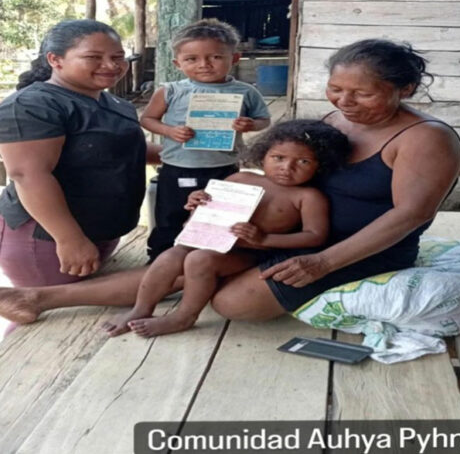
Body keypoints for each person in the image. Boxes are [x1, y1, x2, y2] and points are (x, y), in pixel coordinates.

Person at [0, 39, 460, 329]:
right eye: (337, 89)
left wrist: (322, 262)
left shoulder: (426, 139)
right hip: (281, 235)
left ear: (403, 90)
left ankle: (50, 297)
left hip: (351, 248)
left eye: (362, 93)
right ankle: (37, 298)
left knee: (233, 304)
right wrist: (222, 201)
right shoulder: (333, 119)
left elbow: (412, 215)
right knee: (186, 260)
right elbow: (286, 175)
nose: (345, 102)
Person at [102, 120, 350, 337]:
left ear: (320, 166)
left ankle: (184, 316)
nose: (287, 167)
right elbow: (209, 209)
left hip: (253, 253)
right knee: (171, 255)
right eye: (279, 158)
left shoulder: (307, 197)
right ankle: (141, 308)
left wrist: (264, 238)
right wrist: (196, 203)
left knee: (199, 260)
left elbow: (315, 237)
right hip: (212, 239)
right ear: (262, 155)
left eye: (303, 161)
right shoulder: (241, 179)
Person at [0, 19, 156, 290]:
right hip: (48, 237)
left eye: (118, 57)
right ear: (55, 59)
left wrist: (188, 154)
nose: (111, 65)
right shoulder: (34, 105)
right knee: (46, 317)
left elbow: (125, 150)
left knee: (87, 318)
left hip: (100, 231)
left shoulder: (113, 102)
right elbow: (29, 175)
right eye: (93, 57)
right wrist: (69, 240)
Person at [141, 18, 271, 260]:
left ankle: (209, 259)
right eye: (192, 59)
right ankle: (160, 260)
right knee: (171, 216)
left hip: (224, 168)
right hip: (178, 169)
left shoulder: (245, 92)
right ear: (177, 63)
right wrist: (170, 131)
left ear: (234, 58)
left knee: (220, 216)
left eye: (215, 57)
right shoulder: (171, 91)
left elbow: (264, 120)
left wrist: (251, 124)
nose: (204, 65)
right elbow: (148, 119)